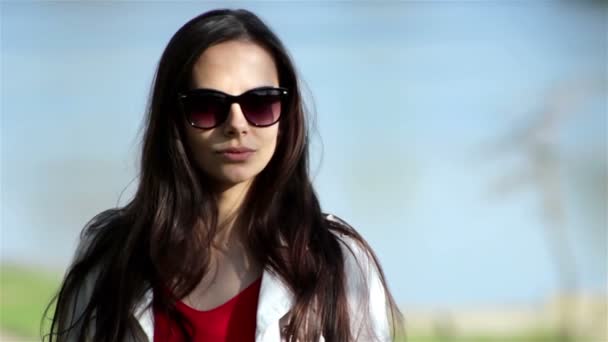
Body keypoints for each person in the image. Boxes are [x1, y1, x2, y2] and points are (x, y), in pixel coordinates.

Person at [45, 8, 403, 342]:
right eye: (207, 105)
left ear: (286, 117)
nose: (237, 125)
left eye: (260, 102)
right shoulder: (110, 256)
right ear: (174, 120)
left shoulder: (336, 261)